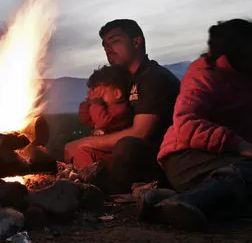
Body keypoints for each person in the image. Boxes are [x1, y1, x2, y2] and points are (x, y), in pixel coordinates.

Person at [138, 19, 252, 230]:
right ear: (241, 48)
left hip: (225, 163)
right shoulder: (205, 72)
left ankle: (169, 201)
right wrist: (241, 147)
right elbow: (187, 123)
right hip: (186, 158)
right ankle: (190, 200)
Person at [64, 19, 180, 193]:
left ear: (136, 42)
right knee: (92, 151)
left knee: (126, 146)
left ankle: (108, 191)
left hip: (165, 159)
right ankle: (88, 182)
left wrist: (83, 142)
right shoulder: (127, 80)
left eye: (115, 41)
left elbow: (139, 134)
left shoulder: (152, 78)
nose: (108, 49)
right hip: (140, 156)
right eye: (105, 46)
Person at [64, 65, 132, 168]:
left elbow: (102, 122)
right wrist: (88, 103)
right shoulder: (102, 108)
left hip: (112, 155)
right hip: (102, 151)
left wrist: (95, 103)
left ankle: (90, 178)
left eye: (101, 94)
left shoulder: (120, 109)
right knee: (79, 152)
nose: (98, 98)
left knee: (83, 153)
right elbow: (85, 120)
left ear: (117, 93)